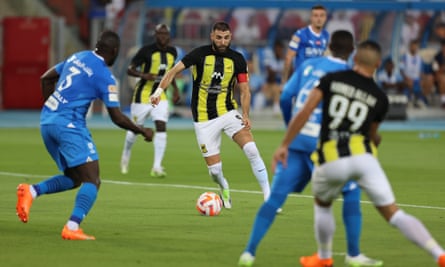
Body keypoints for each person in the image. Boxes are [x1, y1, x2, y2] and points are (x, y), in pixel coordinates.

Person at [273, 40, 445, 267]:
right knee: (394, 214)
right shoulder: (380, 97)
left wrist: (285, 144)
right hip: (364, 158)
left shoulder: (331, 80)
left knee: (322, 204)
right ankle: (439, 254)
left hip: (331, 157)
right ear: (377, 64)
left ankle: (324, 257)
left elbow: (305, 111)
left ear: (355, 60)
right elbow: (373, 137)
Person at [239, 31, 382, 267]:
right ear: (352, 52)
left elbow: (286, 97)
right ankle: (354, 255)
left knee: (275, 198)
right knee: (351, 192)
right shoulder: (349, 76)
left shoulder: (308, 65)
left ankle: (249, 253)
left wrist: (290, 126)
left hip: (298, 142)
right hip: (325, 146)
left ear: (328, 46)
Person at [15, 30, 154, 240]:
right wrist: (142, 130)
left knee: (74, 178)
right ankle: (72, 227)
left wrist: (54, 109)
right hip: (69, 126)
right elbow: (116, 117)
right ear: (115, 52)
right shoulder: (105, 76)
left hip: (47, 121)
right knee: (93, 179)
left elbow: (46, 78)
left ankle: (31, 191)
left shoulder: (77, 57)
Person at [150, 21, 271, 208]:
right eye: (219, 38)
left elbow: (245, 90)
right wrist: (158, 92)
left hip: (228, 112)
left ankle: (268, 198)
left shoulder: (238, 59)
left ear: (230, 37)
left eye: (226, 38)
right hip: (203, 120)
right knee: (215, 171)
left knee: (251, 150)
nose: (223, 42)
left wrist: (245, 114)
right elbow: (173, 71)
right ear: (212, 37)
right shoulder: (199, 54)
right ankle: (224, 187)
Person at [120, 23, 180, 177]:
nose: (163, 37)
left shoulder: (173, 52)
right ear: (155, 35)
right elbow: (130, 69)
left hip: (160, 95)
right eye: (160, 34)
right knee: (135, 129)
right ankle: (126, 155)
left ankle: (157, 166)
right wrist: (143, 75)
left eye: (165, 34)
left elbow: (171, 73)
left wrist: (176, 90)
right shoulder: (146, 51)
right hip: (143, 95)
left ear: (169, 36)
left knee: (161, 125)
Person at [281, 5, 329, 84]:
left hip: (317, 80)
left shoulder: (326, 35)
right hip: (302, 79)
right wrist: (283, 82)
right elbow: (288, 59)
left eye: (322, 16)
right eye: (316, 16)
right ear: (311, 18)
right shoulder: (299, 35)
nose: (319, 19)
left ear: (325, 18)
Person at [399, 39, 428, 107]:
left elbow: (422, 72)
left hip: (417, 79)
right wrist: (406, 78)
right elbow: (401, 70)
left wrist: (423, 80)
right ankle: (410, 99)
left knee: (427, 80)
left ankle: (419, 99)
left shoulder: (420, 58)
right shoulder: (404, 57)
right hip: (407, 78)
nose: (414, 48)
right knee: (410, 82)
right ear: (410, 47)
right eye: (413, 46)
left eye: (416, 46)